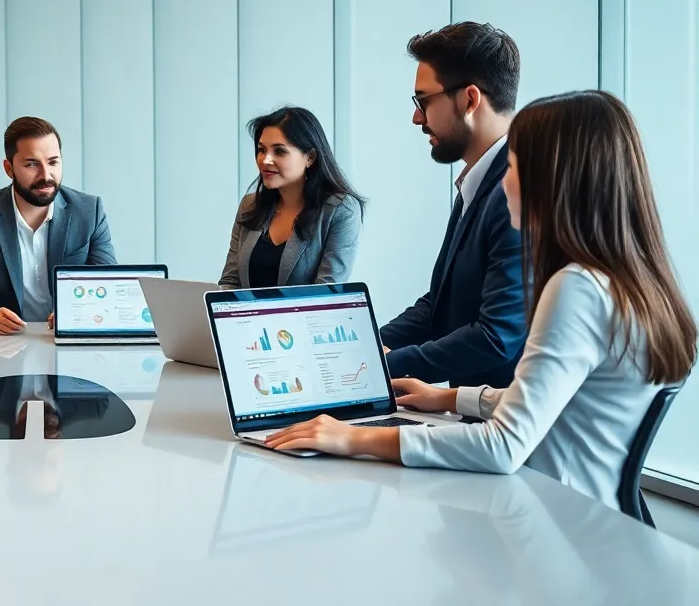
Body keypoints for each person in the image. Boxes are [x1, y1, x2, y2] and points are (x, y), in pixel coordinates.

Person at [265, 90, 697, 509]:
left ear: (554, 179)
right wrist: (450, 398)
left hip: (559, 521)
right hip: (592, 517)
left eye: (514, 165)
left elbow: (503, 445)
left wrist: (352, 437)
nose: (503, 182)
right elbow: (550, 402)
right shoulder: (633, 284)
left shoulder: (576, 288)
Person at [380, 21, 528, 388]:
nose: (417, 117)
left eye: (423, 101)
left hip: (501, 416)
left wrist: (382, 367)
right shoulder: (479, 181)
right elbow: (442, 304)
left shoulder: (517, 191)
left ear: (470, 100)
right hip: (469, 410)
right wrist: (366, 348)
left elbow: (496, 337)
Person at [0, 117, 117, 334]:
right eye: (31, 164)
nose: (45, 175)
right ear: (9, 168)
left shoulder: (88, 211)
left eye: (53, 162)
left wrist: (77, 311)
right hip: (4, 341)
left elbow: (107, 281)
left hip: (70, 338)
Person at [219, 106, 363, 288]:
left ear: (310, 157)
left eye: (279, 151)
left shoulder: (341, 210)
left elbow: (326, 293)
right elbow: (230, 281)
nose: (265, 160)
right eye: (261, 149)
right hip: (244, 309)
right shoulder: (250, 205)